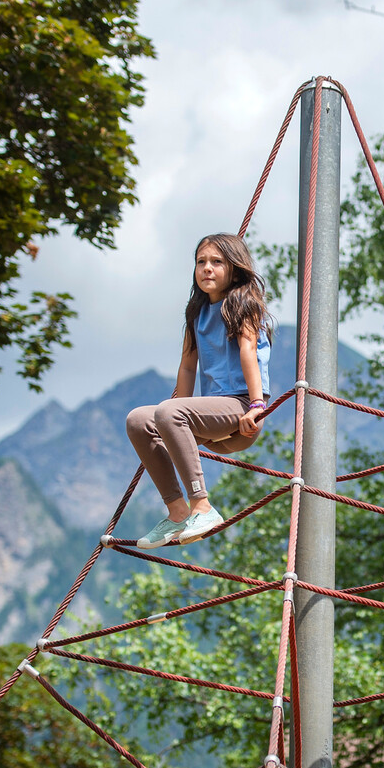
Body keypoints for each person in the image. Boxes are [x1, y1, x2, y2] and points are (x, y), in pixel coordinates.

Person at [126, 233, 273, 548]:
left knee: (169, 411)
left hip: (241, 408)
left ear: (234, 269)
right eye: (201, 262)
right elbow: (188, 365)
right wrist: (172, 412)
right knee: (139, 419)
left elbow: (248, 351)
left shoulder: (242, 303)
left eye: (217, 262)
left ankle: (202, 507)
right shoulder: (197, 312)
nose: (207, 268)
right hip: (208, 414)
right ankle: (178, 512)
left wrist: (257, 406)